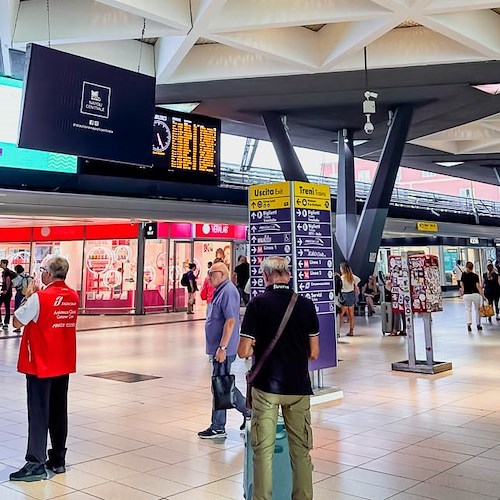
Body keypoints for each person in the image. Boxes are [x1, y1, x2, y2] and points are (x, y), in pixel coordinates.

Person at [238, 256, 319, 500]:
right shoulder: (306, 305)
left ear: (265, 277)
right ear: (288, 275)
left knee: (263, 452)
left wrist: (255, 347)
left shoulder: (257, 304)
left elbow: (243, 350)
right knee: (301, 452)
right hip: (298, 387)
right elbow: (314, 353)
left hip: (266, 388)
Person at [9, 256, 79, 482]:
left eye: (42, 270)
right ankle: (58, 459)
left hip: (41, 364)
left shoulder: (40, 297)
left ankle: (35, 462)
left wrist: (28, 297)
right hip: (63, 362)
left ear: (48, 274)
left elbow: (16, 322)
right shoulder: (73, 296)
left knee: (38, 412)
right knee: (59, 410)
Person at [198, 261, 250, 439]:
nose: (209, 276)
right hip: (218, 349)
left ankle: (223, 424)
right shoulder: (220, 291)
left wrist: (222, 347)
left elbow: (231, 321)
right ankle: (226, 422)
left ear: (222, 274)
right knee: (220, 386)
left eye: (212, 273)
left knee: (223, 387)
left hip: (223, 350)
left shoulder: (228, 291)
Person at [460, 261, 485, 332]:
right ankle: (478, 324)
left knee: (468, 309)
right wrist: (483, 295)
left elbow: (461, 283)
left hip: (466, 295)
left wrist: (463, 289)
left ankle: (469, 324)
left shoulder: (463, 275)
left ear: (466, 267)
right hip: (475, 294)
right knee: (477, 310)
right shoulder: (475, 276)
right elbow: (478, 286)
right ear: (472, 268)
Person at [339, 262, 360, 336]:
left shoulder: (341, 278)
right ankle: (351, 331)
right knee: (351, 316)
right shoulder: (352, 276)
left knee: (340, 315)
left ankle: (338, 331)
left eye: (341, 268)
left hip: (344, 296)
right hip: (351, 295)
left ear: (343, 269)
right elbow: (358, 280)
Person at [11, 264, 33, 333]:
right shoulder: (29, 277)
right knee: (28, 310)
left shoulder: (18, 277)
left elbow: (13, 284)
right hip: (28, 294)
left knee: (18, 309)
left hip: (20, 294)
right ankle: (28, 326)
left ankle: (18, 328)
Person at [0, 259, 14, 329]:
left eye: (1, 263)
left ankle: (3, 323)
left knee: (7, 307)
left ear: (5, 263)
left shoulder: (6, 272)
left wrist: (6, 289)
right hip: (8, 292)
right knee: (7, 307)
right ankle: (5, 323)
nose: (0, 264)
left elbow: (8, 280)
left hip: (6, 292)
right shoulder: (6, 271)